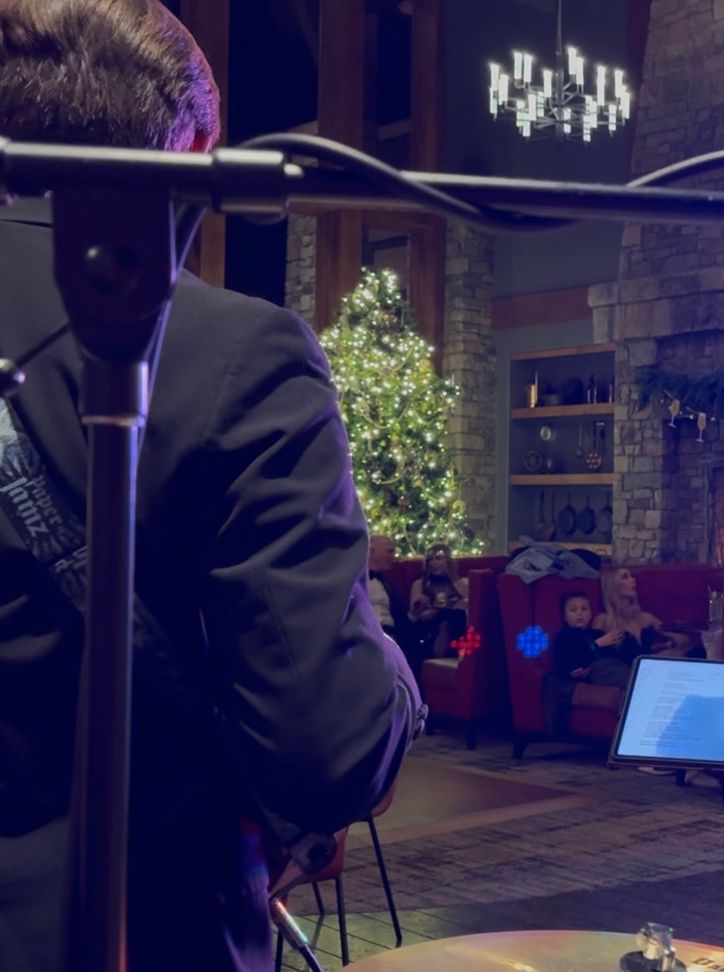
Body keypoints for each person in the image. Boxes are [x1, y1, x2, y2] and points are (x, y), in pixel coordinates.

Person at [0, 3, 419, 969]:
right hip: (135, 933)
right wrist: (394, 668)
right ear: (186, 161)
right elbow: (331, 753)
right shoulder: (240, 354)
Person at [540, 591, 632, 740]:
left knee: (630, 678)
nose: (580, 613)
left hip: (615, 665)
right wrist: (597, 645)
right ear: (564, 616)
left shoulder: (597, 633)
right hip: (597, 669)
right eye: (573, 610)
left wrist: (623, 640)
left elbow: (616, 655)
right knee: (629, 681)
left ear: (590, 614)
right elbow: (565, 661)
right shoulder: (564, 637)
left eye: (584, 609)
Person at [594, 566, 695, 661]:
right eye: (625, 577)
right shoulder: (603, 620)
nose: (633, 580)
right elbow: (593, 653)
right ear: (613, 586)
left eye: (631, 576)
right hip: (619, 670)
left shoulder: (645, 618)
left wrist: (668, 644)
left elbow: (685, 640)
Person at [407, 542, 470, 670]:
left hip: (456, 626)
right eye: (430, 560)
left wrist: (452, 579)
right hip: (428, 629)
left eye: (438, 559)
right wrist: (421, 604)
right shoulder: (420, 584)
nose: (433, 563)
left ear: (449, 561)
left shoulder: (462, 582)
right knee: (442, 619)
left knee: (452, 618)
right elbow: (413, 615)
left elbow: (471, 603)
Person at [368, 534, 404, 642]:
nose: (393, 557)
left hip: (390, 639)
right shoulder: (353, 582)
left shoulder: (388, 585)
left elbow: (401, 621)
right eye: (389, 552)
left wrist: (414, 614)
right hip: (365, 638)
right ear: (370, 551)